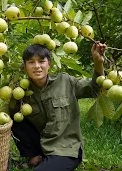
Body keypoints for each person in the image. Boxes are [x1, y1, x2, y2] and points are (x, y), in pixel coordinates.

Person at [10, 42, 107, 171]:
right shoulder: (21, 91)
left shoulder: (65, 81)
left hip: (66, 149)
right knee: (15, 117)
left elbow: (95, 89)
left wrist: (98, 63)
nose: (37, 66)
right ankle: (35, 156)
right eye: (31, 62)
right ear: (25, 66)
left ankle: (47, 161)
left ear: (49, 64)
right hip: (43, 143)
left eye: (41, 61)